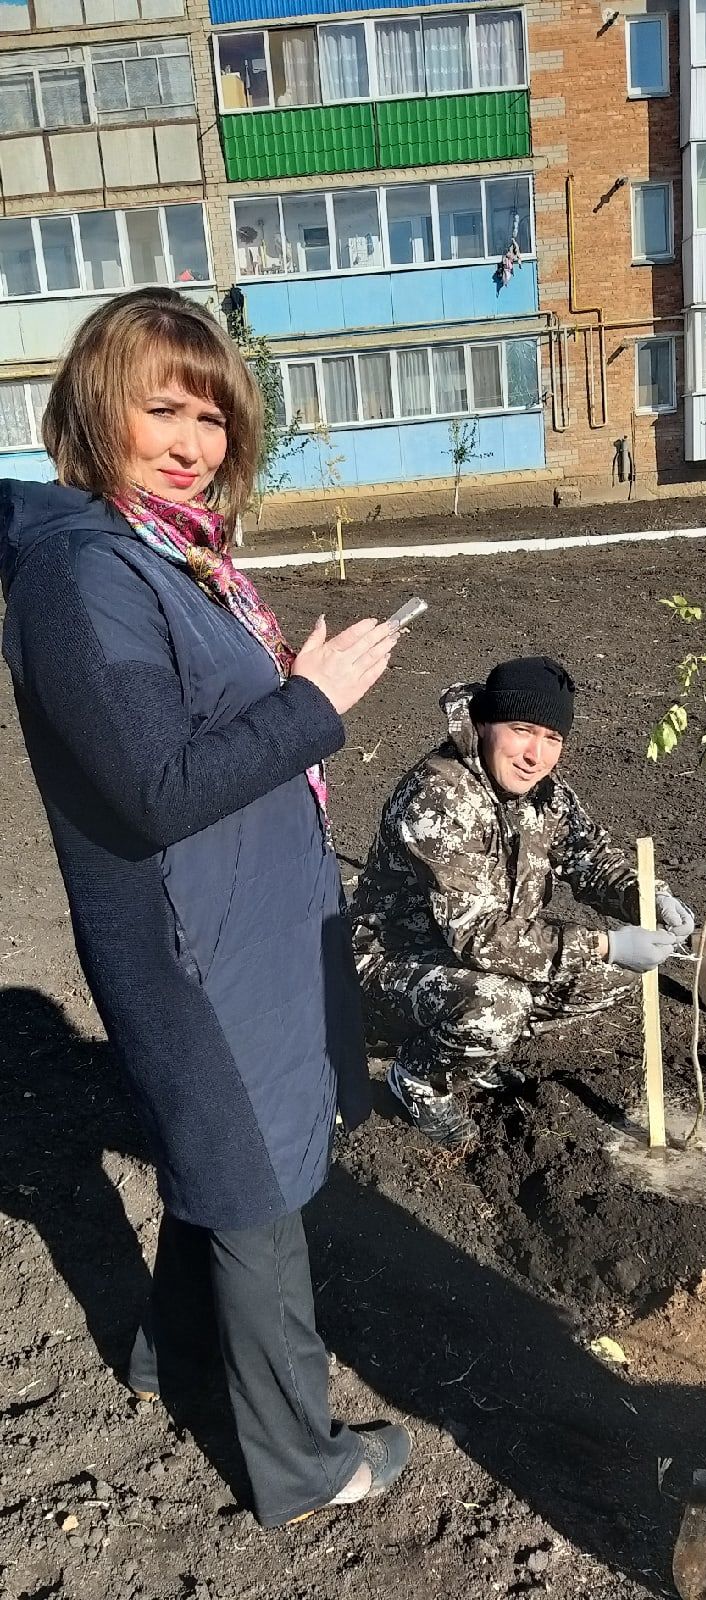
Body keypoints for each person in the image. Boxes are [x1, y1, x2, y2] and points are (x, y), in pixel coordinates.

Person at [0, 288, 412, 1528]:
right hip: (192, 943)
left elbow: (187, 725)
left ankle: (165, 1357)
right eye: (161, 407)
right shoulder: (83, 576)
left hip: (236, 921)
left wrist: (287, 688)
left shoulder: (167, 552)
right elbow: (155, 782)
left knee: (224, 1155)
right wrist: (314, 700)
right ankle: (301, 1461)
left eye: (214, 413)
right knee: (253, 1187)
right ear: (93, 410)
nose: (194, 438)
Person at [351, 656, 694, 1149]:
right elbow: (476, 934)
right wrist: (601, 943)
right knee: (500, 1002)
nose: (536, 754)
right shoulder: (440, 797)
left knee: (621, 974)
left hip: (479, 955)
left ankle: (476, 1051)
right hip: (388, 965)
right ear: (486, 724)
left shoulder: (544, 792)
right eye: (522, 729)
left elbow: (591, 858)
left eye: (552, 738)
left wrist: (648, 896)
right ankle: (419, 1079)